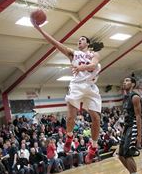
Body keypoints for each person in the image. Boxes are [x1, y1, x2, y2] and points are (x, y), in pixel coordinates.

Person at [32, 18, 102, 164]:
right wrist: (39, 29)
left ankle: (93, 147)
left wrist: (80, 68)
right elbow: (55, 43)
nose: (79, 41)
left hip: (90, 86)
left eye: (82, 40)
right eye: (79, 40)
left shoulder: (94, 54)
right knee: (71, 117)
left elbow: (93, 65)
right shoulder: (73, 53)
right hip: (76, 85)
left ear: (88, 43)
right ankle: (69, 136)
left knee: (96, 118)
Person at [118, 77, 142, 174]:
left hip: (133, 126)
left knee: (127, 153)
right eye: (124, 81)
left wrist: (139, 135)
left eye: (127, 81)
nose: (124, 82)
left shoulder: (135, 97)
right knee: (121, 155)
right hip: (126, 127)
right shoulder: (125, 98)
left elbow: (138, 116)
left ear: (133, 84)